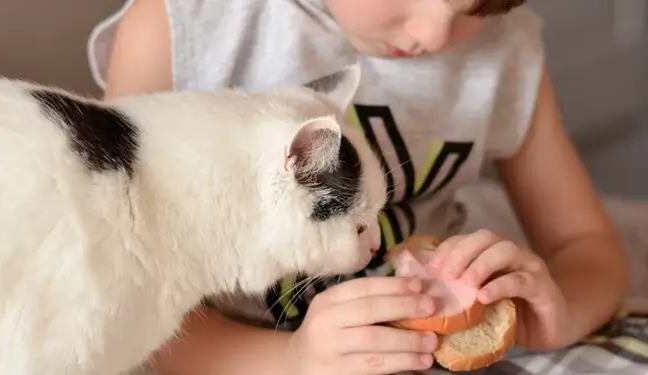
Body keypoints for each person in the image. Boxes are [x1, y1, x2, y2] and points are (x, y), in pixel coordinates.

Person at [88, 0, 630, 374]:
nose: (434, 34)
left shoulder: (506, 51)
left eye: (473, 8)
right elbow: (122, 292)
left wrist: (559, 310)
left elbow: (585, 247)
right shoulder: (186, 28)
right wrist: (290, 361)